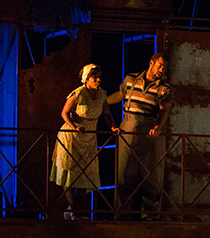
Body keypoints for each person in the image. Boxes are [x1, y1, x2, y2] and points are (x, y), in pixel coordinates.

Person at [49, 63, 118, 219]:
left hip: (89, 138)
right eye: (95, 77)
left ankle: (78, 209)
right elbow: (64, 113)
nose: (98, 80)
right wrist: (74, 127)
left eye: (99, 77)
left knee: (85, 173)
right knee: (69, 173)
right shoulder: (78, 94)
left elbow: (107, 114)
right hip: (72, 137)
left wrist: (113, 127)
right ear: (86, 78)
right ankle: (73, 208)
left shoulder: (102, 95)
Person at [109, 52, 172, 218]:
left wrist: (159, 126)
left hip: (148, 127)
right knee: (124, 172)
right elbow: (121, 94)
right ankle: (122, 214)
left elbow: (165, 110)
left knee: (151, 174)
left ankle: (150, 216)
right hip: (128, 125)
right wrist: (103, 101)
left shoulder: (164, 88)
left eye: (165, 68)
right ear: (151, 63)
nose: (162, 70)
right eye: (160, 66)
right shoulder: (131, 79)